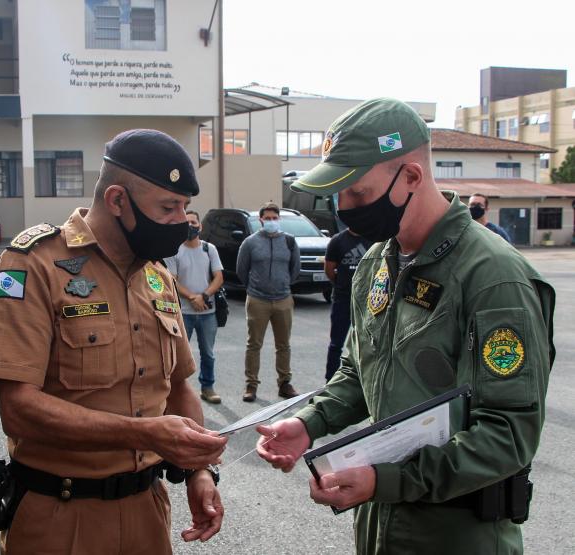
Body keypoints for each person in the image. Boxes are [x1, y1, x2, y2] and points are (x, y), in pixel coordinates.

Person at [257, 98, 555, 554]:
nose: (344, 207)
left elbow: (508, 434)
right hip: (382, 527)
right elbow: (359, 372)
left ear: (412, 176)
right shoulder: (379, 261)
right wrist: (309, 423)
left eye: (358, 193)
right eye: (337, 195)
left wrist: (388, 480)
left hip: (458, 537)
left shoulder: (493, 276)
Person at [0, 129, 227, 554]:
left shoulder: (158, 276)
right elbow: (18, 409)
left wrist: (198, 471)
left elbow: (178, 387)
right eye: (168, 207)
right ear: (117, 200)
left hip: (147, 511)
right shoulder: (32, 265)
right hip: (60, 517)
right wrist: (146, 434)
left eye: (184, 207)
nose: (182, 221)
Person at [235, 202, 301, 401]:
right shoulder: (250, 242)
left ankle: (285, 383)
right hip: (257, 300)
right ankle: (251, 385)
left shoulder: (289, 241)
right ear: (261, 220)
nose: (271, 221)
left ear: (279, 219)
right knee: (253, 344)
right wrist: (255, 288)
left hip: (283, 299)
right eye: (267, 218)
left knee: (284, 345)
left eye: (275, 218)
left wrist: (284, 284)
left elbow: (295, 268)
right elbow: (241, 270)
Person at [165, 210, 225, 404]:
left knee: (208, 353)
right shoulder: (174, 250)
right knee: (178, 355)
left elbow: (219, 277)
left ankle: (207, 387)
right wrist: (192, 297)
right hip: (183, 313)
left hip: (208, 312)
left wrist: (204, 296)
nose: (191, 226)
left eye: (194, 222)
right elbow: (172, 280)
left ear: (201, 226)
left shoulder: (209, 249)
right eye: (187, 222)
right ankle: (176, 392)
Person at [323, 228, 372, 381]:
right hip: (343, 299)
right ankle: (330, 380)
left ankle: (363, 381)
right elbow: (329, 269)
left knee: (366, 345)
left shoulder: (372, 238)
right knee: (336, 344)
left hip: (366, 300)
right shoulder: (337, 241)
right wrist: (341, 284)